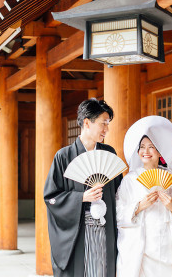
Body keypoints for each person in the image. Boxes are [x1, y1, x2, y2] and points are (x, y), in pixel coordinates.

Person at [44, 98, 123, 277]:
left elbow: (119, 193)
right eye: (103, 123)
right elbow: (51, 197)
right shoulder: (63, 157)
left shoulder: (108, 153)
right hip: (78, 232)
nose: (106, 129)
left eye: (108, 124)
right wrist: (81, 197)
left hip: (105, 227)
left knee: (103, 270)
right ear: (87, 123)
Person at [116, 115, 172, 277]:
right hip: (141, 245)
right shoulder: (130, 180)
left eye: (151, 147)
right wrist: (138, 206)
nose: (146, 151)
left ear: (159, 151)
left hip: (168, 243)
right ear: (137, 151)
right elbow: (117, 211)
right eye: (142, 147)